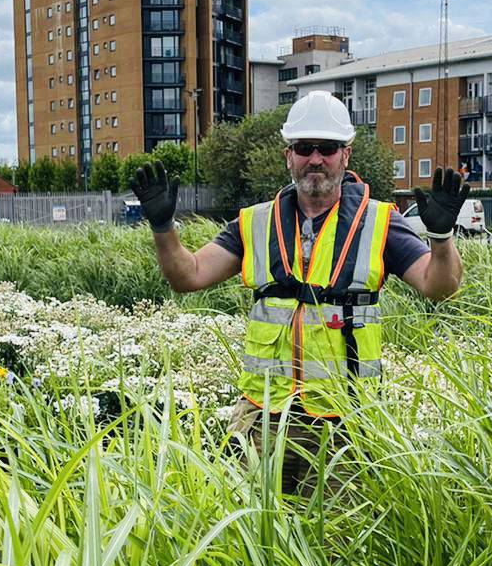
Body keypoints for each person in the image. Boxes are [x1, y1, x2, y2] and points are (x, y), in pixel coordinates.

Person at [129, 90, 469, 491]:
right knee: (250, 523)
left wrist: (441, 237)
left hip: (345, 425)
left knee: (339, 529)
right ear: (288, 156)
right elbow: (188, 276)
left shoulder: (379, 222)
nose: (316, 158)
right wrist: (163, 228)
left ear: (346, 155)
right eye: (304, 148)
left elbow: (439, 287)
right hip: (261, 419)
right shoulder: (254, 222)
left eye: (327, 148)